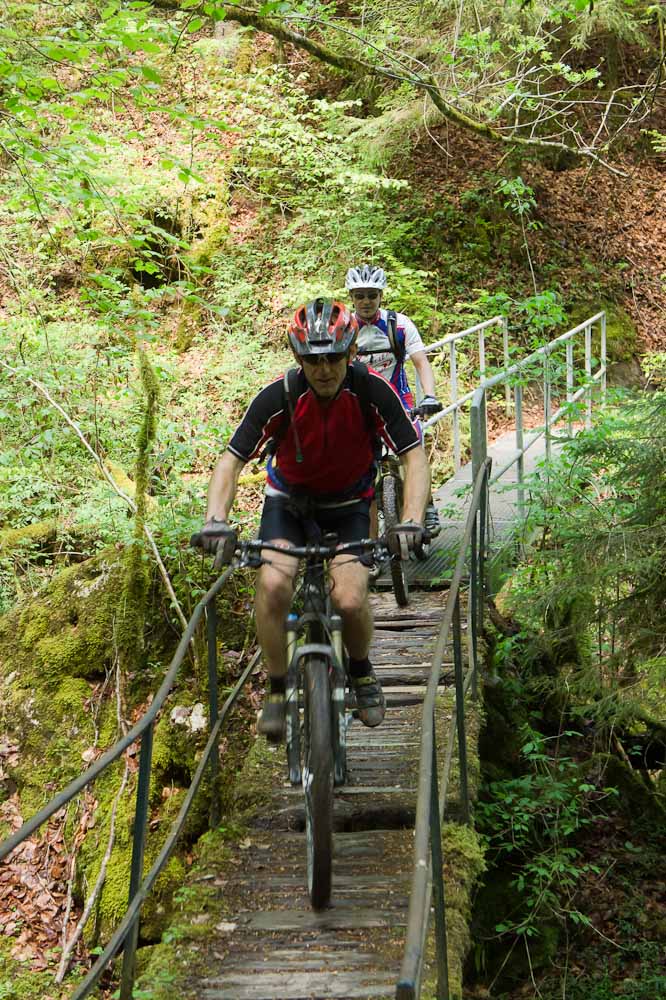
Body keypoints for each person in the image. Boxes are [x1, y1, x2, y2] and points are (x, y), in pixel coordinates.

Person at [200, 298, 431, 742]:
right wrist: (216, 520)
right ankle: (277, 687)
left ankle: (362, 673)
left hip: (349, 505)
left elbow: (412, 456)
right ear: (297, 357)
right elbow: (231, 460)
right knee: (272, 584)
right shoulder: (280, 395)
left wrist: (410, 520)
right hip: (289, 503)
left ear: (349, 354)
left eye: (332, 359)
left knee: (349, 594)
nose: (323, 370)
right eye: (311, 360)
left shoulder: (371, 392)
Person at [345, 263, 442, 537]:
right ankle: (366, 540)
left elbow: (421, 362)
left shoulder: (398, 325)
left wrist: (430, 396)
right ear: (351, 297)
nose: (366, 301)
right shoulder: (345, 328)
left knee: (412, 453)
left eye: (372, 295)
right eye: (360, 295)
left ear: (381, 296)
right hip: (360, 404)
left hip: (399, 400)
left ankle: (428, 504)